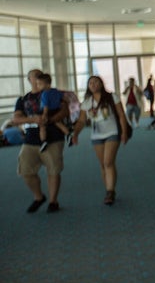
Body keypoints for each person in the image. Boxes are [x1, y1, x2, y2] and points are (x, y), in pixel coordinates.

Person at [12, 69, 69, 213]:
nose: (38, 78)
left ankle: (53, 201)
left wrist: (49, 119)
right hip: (30, 139)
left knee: (53, 169)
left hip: (53, 137)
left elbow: (65, 111)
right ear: (29, 80)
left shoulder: (54, 94)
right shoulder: (23, 99)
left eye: (40, 75)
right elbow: (16, 119)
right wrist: (33, 119)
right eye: (35, 76)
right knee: (25, 170)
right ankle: (38, 197)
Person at [71, 76, 129, 206]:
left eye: (96, 82)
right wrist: (75, 134)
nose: (93, 85)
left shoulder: (112, 97)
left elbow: (121, 115)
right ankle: (109, 189)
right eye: (90, 83)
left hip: (112, 132)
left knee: (108, 162)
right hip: (96, 135)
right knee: (103, 164)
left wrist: (124, 133)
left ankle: (110, 191)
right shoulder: (86, 102)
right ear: (88, 86)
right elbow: (81, 121)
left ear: (101, 84)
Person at [36, 72, 70, 152]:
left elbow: (46, 106)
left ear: (47, 85)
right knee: (58, 123)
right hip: (56, 110)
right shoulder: (56, 91)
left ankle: (43, 141)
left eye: (40, 84)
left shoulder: (44, 94)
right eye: (37, 84)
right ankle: (68, 134)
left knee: (42, 126)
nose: (38, 86)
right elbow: (65, 99)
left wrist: (44, 114)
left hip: (47, 111)